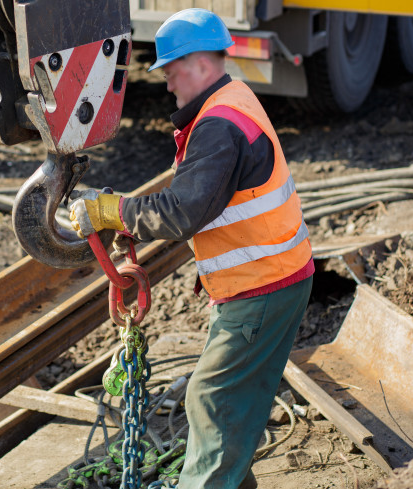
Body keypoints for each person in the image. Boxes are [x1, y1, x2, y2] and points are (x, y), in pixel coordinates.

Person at [69, 9, 314, 489]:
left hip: (263, 287)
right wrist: (131, 219)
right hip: (272, 279)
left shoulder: (219, 126)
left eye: (170, 71)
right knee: (231, 403)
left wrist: (111, 212)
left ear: (200, 63)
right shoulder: (229, 101)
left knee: (212, 398)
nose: (166, 85)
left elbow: (183, 211)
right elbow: (204, 200)